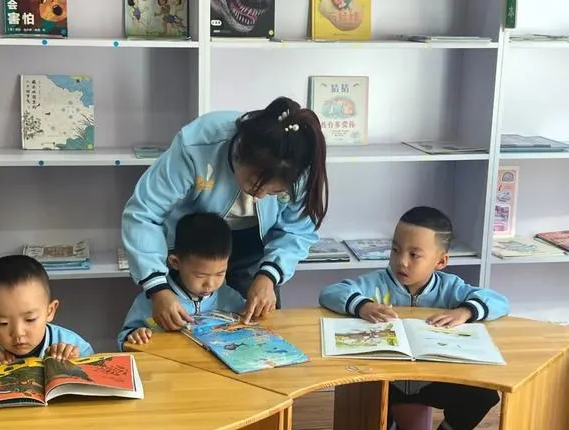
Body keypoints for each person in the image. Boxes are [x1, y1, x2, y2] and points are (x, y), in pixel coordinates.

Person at [122, 96, 329, 329]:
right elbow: (144, 212)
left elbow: (297, 230)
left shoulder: (298, 164)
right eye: (254, 184)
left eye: (275, 192)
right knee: (177, 323)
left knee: (255, 326)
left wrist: (269, 276)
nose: (259, 196)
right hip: (194, 244)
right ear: (239, 153)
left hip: (256, 246)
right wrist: (158, 288)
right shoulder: (199, 144)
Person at [319, 206, 509, 430]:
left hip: (434, 380)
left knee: (484, 395)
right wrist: (362, 306)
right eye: (395, 250)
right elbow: (330, 293)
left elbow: (499, 301)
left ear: (440, 261)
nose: (402, 261)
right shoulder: (376, 283)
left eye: (414, 255)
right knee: (361, 392)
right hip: (387, 381)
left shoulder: (450, 288)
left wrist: (465, 311)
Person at [118, 212, 246, 348]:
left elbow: (249, 322)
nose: (210, 284)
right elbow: (124, 338)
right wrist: (134, 335)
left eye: (220, 274)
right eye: (200, 276)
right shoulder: (154, 300)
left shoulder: (228, 297)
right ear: (175, 262)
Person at [0, 255, 94, 365]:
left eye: (30, 319)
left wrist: (76, 363)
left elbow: (97, 377)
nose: (18, 333)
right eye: (3, 323)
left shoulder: (74, 346)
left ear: (50, 311)